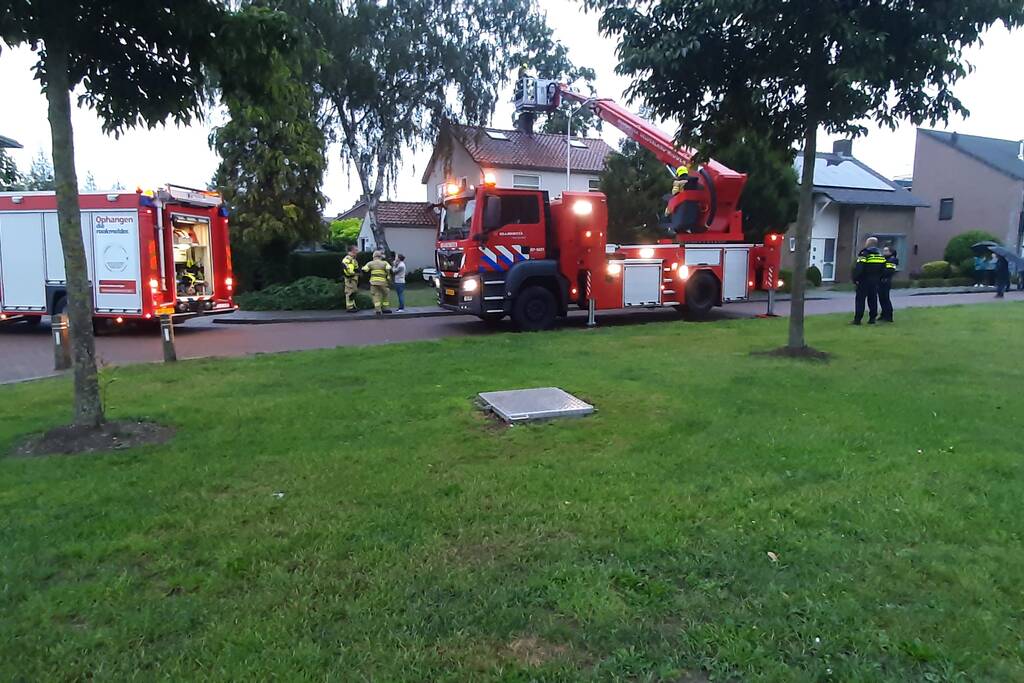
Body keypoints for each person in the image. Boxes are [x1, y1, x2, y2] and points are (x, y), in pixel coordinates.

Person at [852, 237, 887, 325]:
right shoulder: (880, 256)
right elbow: (884, 270)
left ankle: (858, 320)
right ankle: (872, 318)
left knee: (860, 300)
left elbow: (859, 268)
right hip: (875, 281)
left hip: (864, 280)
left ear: (868, 244)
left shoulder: (864, 254)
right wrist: (879, 278)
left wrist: (855, 278)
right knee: (873, 299)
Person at [362, 250, 393, 316]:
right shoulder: (384, 263)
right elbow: (389, 268)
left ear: (373, 256)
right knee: (386, 294)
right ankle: (385, 308)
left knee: (375, 295)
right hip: (383, 282)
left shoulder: (370, 263)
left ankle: (378, 310)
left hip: (373, 282)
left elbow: (365, 269)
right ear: (380, 256)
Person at [878, 246, 898, 322]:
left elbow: (889, 271)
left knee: (885, 298)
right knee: (881, 298)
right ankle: (883, 314)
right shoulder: (885, 259)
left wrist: (880, 273)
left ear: (891, 252)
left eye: (886, 251)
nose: (884, 252)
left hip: (885, 281)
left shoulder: (892, 260)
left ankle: (889, 316)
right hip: (881, 281)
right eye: (884, 250)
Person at [341, 245, 360, 312]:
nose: (357, 252)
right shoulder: (348, 259)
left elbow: (356, 267)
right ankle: (350, 307)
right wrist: (354, 274)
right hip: (350, 279)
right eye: (356, 250)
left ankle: (353, 306)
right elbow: (348, 270)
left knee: (353, 292)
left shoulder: (352, 259)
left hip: (352, 279)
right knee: (349, 292)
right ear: (352, 251)